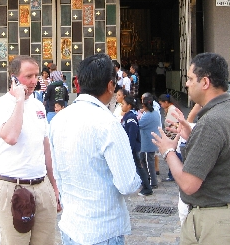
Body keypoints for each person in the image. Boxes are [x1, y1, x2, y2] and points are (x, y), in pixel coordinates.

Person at [152, 52, 230, 245]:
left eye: (191, 79)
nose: (187, 84)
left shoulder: (212, 121)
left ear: (205, 82)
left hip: (217, 224)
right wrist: (192, 136)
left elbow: (189, 184)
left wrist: (168, 151)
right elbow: (224, 154)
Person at [49, 53, 141, 245]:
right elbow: (128, 184)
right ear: (110, 85)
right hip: (103, 229)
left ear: (77, 83)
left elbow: (57, 172)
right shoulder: (109, 124)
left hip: (71, 225)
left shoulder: (58, 120)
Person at [0, 55, 60, 245]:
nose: (34, 81)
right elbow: (11, 137)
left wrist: (54, 186)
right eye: (28, 76)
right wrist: (19, 100)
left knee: (46, 240)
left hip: (41, 184)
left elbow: (46, 149)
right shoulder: (0, 106)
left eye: (36, 76)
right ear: (14, 78)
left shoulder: (38, 106)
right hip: (12, 186)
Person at [121, 94, 153, 197]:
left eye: (123, 104)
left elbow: (132, 135)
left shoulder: (131, 118)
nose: (122, 106)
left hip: (133, 148)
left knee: (138, 167)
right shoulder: (127, 116)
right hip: (130, 147)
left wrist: (129, 148)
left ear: (129, 105)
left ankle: (147, 187)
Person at [158, 93, 183, 181]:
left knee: (174, 155)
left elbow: (171, 125)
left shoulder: (172, 110)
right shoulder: (170, 109)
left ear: (166, 102)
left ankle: (173, 174)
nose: (161, 106)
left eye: (161, 103)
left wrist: (166, 136)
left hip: (173, 136)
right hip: (174, 136)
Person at [138, 94, 161, 188]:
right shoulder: (155, 112)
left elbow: (139, 125)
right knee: (143, 159)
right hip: (148, 141)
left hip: (148, 142)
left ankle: (153, 182)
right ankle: (147, 177)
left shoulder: (147, 115)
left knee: (149, 162)